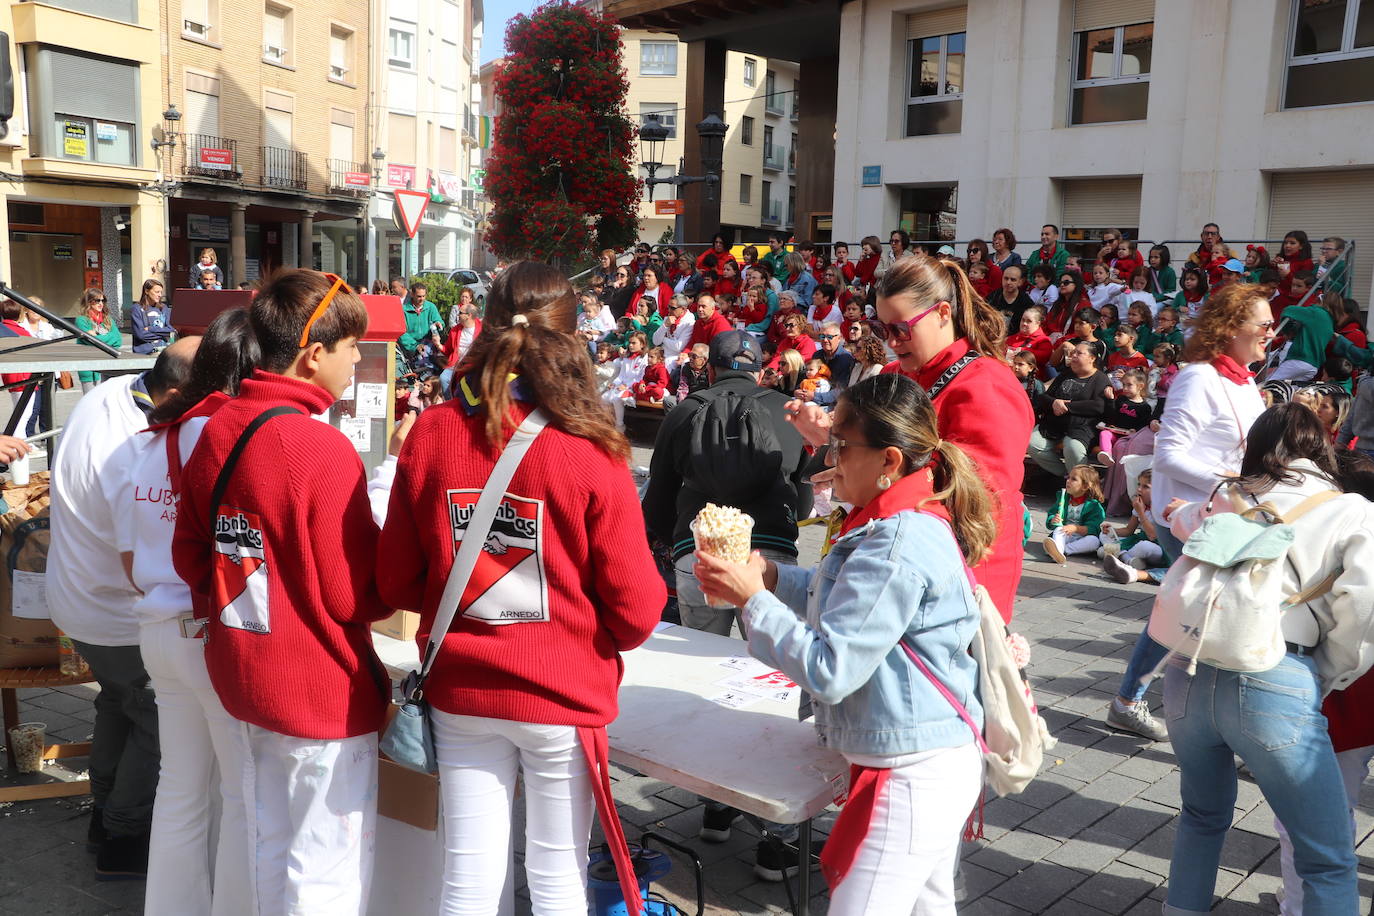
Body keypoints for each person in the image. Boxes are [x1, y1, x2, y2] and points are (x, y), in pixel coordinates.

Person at [376, 263, 662, 914]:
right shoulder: (595, 448)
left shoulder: (433, 431)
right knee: (558, 874)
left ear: (485, 329)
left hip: (463, 692)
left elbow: (393, 580)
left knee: (468, 875)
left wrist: (470, 595)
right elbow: (638, 612)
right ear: (574, 338)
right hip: (563, 697)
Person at [693, 374, 987, 915]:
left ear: (889, 461)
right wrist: (777, 579)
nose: (829, 458)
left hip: (912, 770)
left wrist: (753, 600)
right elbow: (854, 601)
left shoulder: (895, 540)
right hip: (923, 755)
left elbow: (832, 669)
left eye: (841, 446)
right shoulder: (893, 520)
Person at [172, 270, 391, 914]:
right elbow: (356, 598)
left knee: (268, 846)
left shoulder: (218, 427)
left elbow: (192, 553)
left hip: (242, 671)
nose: (358, 358)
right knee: (325, 868)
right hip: (318, 690)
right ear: (312, 352)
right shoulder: (320, 448)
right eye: (352, 345)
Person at [1161, 403, 1374, 916]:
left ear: (1257, 448)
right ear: (1321, 446)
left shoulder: (1228, 495)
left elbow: (1180, 522)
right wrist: (1328, 671)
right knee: (1326, 859)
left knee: (1201, 817)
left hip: (1190, 668)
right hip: (1279, 673)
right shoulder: (1351, 510)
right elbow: (1364, 606)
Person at [640, 330, 813, 877]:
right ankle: (777, 836)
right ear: (762, 369)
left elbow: (658, 497)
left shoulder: (685, 411)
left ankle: (715, 807)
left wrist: (668, 552)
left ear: (709, 369)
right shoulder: (787, 411)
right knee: (773, 685)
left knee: (707, 680)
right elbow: (804, 492)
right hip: (771, 557)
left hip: (702, 552)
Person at [103, 312, 257, 915]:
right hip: (207, 629)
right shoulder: (226, 439)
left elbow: (126, 559)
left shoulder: (136, 448)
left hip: (156, 626)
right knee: (241, 793)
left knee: (182, 788)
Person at [787, 255, 1033, 622]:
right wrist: (831, 438)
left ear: (943, 313)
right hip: (890, 551)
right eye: (883, 329)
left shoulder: (986, 384)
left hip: (957, 571)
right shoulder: (893, 374)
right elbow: (867, 450)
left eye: (901, 329)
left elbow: (977, 493)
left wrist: (853, 453)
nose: (891, 342)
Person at [49, 340, 200, 879]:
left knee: (117, 702)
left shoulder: (114, 392)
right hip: (112, 609)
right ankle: (124, 838)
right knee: (154, 718)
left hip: (77, 597)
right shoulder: (133, 445)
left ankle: (103, 819)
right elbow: (143, 560)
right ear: (178, 393)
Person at [1104, 282, 1272, 742]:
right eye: (1264, 324)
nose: (1271, 333)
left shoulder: (1246, 381)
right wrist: (1235, 485)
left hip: (1226, 512)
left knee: (1194, 612)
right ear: (1232, 326)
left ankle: (1138, 702)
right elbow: (1170, 456)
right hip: (1191, 515)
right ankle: (1226, 726)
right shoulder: (1199, 378)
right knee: (1199, 612)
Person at [1027, 339, 1109, 477]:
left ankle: (1082, 483)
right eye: (1073, 352)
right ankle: (1068, 476)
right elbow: (1045, 397)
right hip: (1055, 424)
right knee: (1033, 444)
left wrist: (1066, 406)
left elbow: (1098, 406)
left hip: (1082, 427)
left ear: (1092, 358)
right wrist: (1054, 403)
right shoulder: (1066, 374)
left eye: (1079, 353)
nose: (1074, 356)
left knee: (1073, 448)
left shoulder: (1100, 379)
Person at [1041, 464, 1107, 564]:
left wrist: (1076, 528)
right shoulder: (1063, 499)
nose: (1068, 480)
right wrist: (1053, 520)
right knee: (1059, 530)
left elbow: (1094, 528)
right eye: (1068, 477)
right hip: (1065, 534)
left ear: (1085, 486)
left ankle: (1061, 551)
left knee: (1094, 541)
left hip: (1083, 537)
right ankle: (1058, 549)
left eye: (1073, 479)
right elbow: (1052, 514)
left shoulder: (1094, 506)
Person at [75, 287, 124, 392]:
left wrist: (96, 335)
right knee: (91, 402)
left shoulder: (108, 319)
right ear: (89, 302)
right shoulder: (81, 320)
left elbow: (118, 339)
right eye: (97, 300)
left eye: (103, 300)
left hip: (108, 365)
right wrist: (108, 336)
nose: (101, 303)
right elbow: (90, 341)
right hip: (89, 368)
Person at [806, 321, 855, 406]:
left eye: (829, 337)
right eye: (822, 336)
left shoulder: (846, 359)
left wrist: (815, 396)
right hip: (811, 396)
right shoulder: (817, 355)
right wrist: (801, 391)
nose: (825, 340)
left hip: (833, 404)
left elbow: (840, 390)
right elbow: (808, 377)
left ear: (839, 338)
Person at [131, 279, 174, 355]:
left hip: (164, 351)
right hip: (145, 353)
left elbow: (171, 330)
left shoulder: (164, 308)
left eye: (161, 292)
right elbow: (141, 334)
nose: (160, 295)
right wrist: (162, 334)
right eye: (157, 292)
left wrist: (151, 328)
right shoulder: (137, 309)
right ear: (147, 291)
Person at [399, 280, 442, 356]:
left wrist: (439, 324)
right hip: (409, 349)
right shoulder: (403, 310)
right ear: (412, 294)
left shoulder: (431, 307)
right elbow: (401, 332)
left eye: (424, 296)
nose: (422, 299)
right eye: (419, 296)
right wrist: (415, 345)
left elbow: (438, 321)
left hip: (428, 346)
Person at [990, 263, 1034, 331]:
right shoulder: (992, 297)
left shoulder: (1026, 302)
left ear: (1020, 282)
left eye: (1013, 280)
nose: (1008, 282)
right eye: (1006, 278)